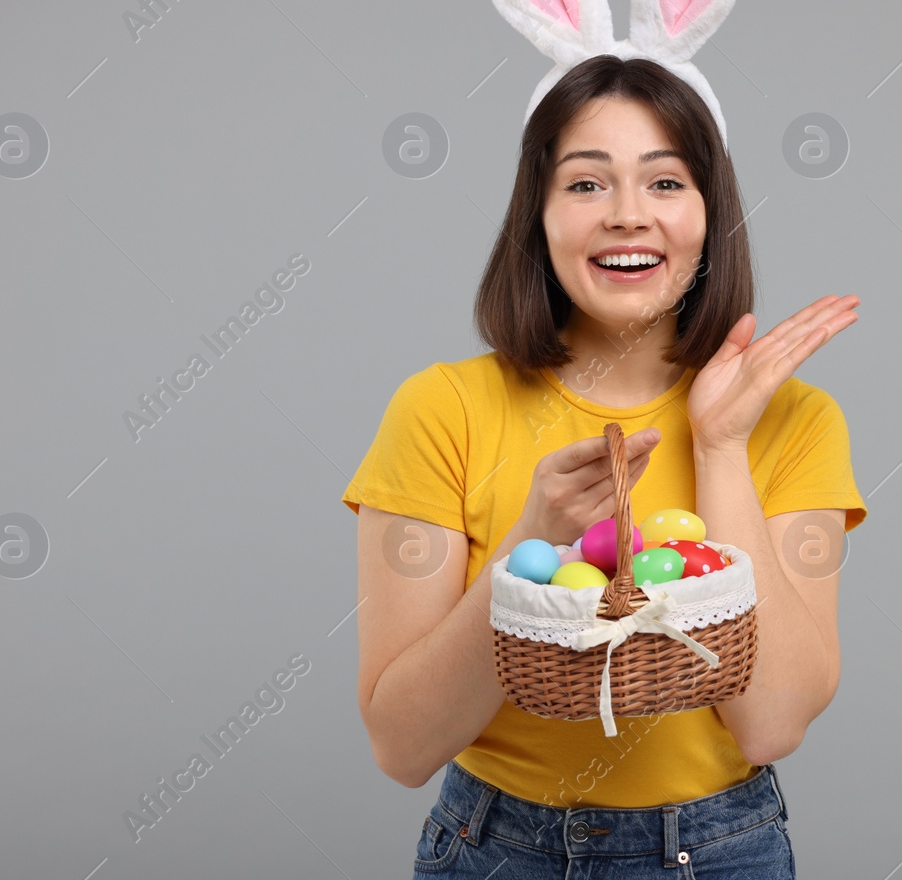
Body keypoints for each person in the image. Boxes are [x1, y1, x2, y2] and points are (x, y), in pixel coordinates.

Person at [344, 53, 867, 878]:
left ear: (710, 212)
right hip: (493, 849)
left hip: (719, 851)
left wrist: (722, 445)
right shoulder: (439, 409)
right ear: (538, 214)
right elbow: (403, 746)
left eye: (666, 183)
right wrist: (530, 542)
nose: (629, 215)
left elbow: (770, 725)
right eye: (587, 184)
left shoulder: (795, 420)